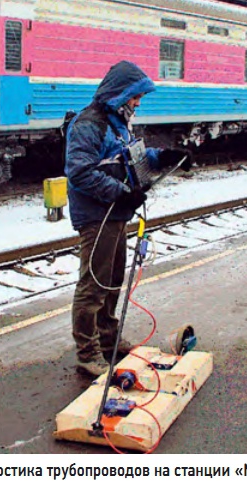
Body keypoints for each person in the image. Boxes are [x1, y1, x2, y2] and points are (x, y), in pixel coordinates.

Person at [64, 60, 191, 376]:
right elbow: (80, 172)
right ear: (119, 93)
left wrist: (165, 157)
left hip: (115, 212)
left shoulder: (116, 123)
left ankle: (108, 340)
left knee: (111, 281)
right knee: (93, 285)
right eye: (134, 97)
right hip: (97, 215)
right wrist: (121, 193)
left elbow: (134, 157)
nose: (137, 103)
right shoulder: (89, 124)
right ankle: (88, 352)